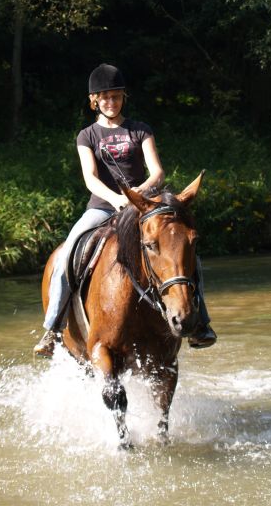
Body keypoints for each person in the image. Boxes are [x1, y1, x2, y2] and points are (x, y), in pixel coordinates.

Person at [34, 63, 216, 356]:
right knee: (67, 255)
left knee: (187, 256)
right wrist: (118, 199)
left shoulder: (140, 130)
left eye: (116, 96)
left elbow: (157, 172)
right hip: (103, 208)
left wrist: (137, 197)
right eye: (105, 97)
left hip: (144, 208)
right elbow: (90, 178)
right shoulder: (87, 135)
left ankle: (200, 324)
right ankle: (53, 328)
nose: (111, 102)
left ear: (123, 98)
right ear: (94, 100)